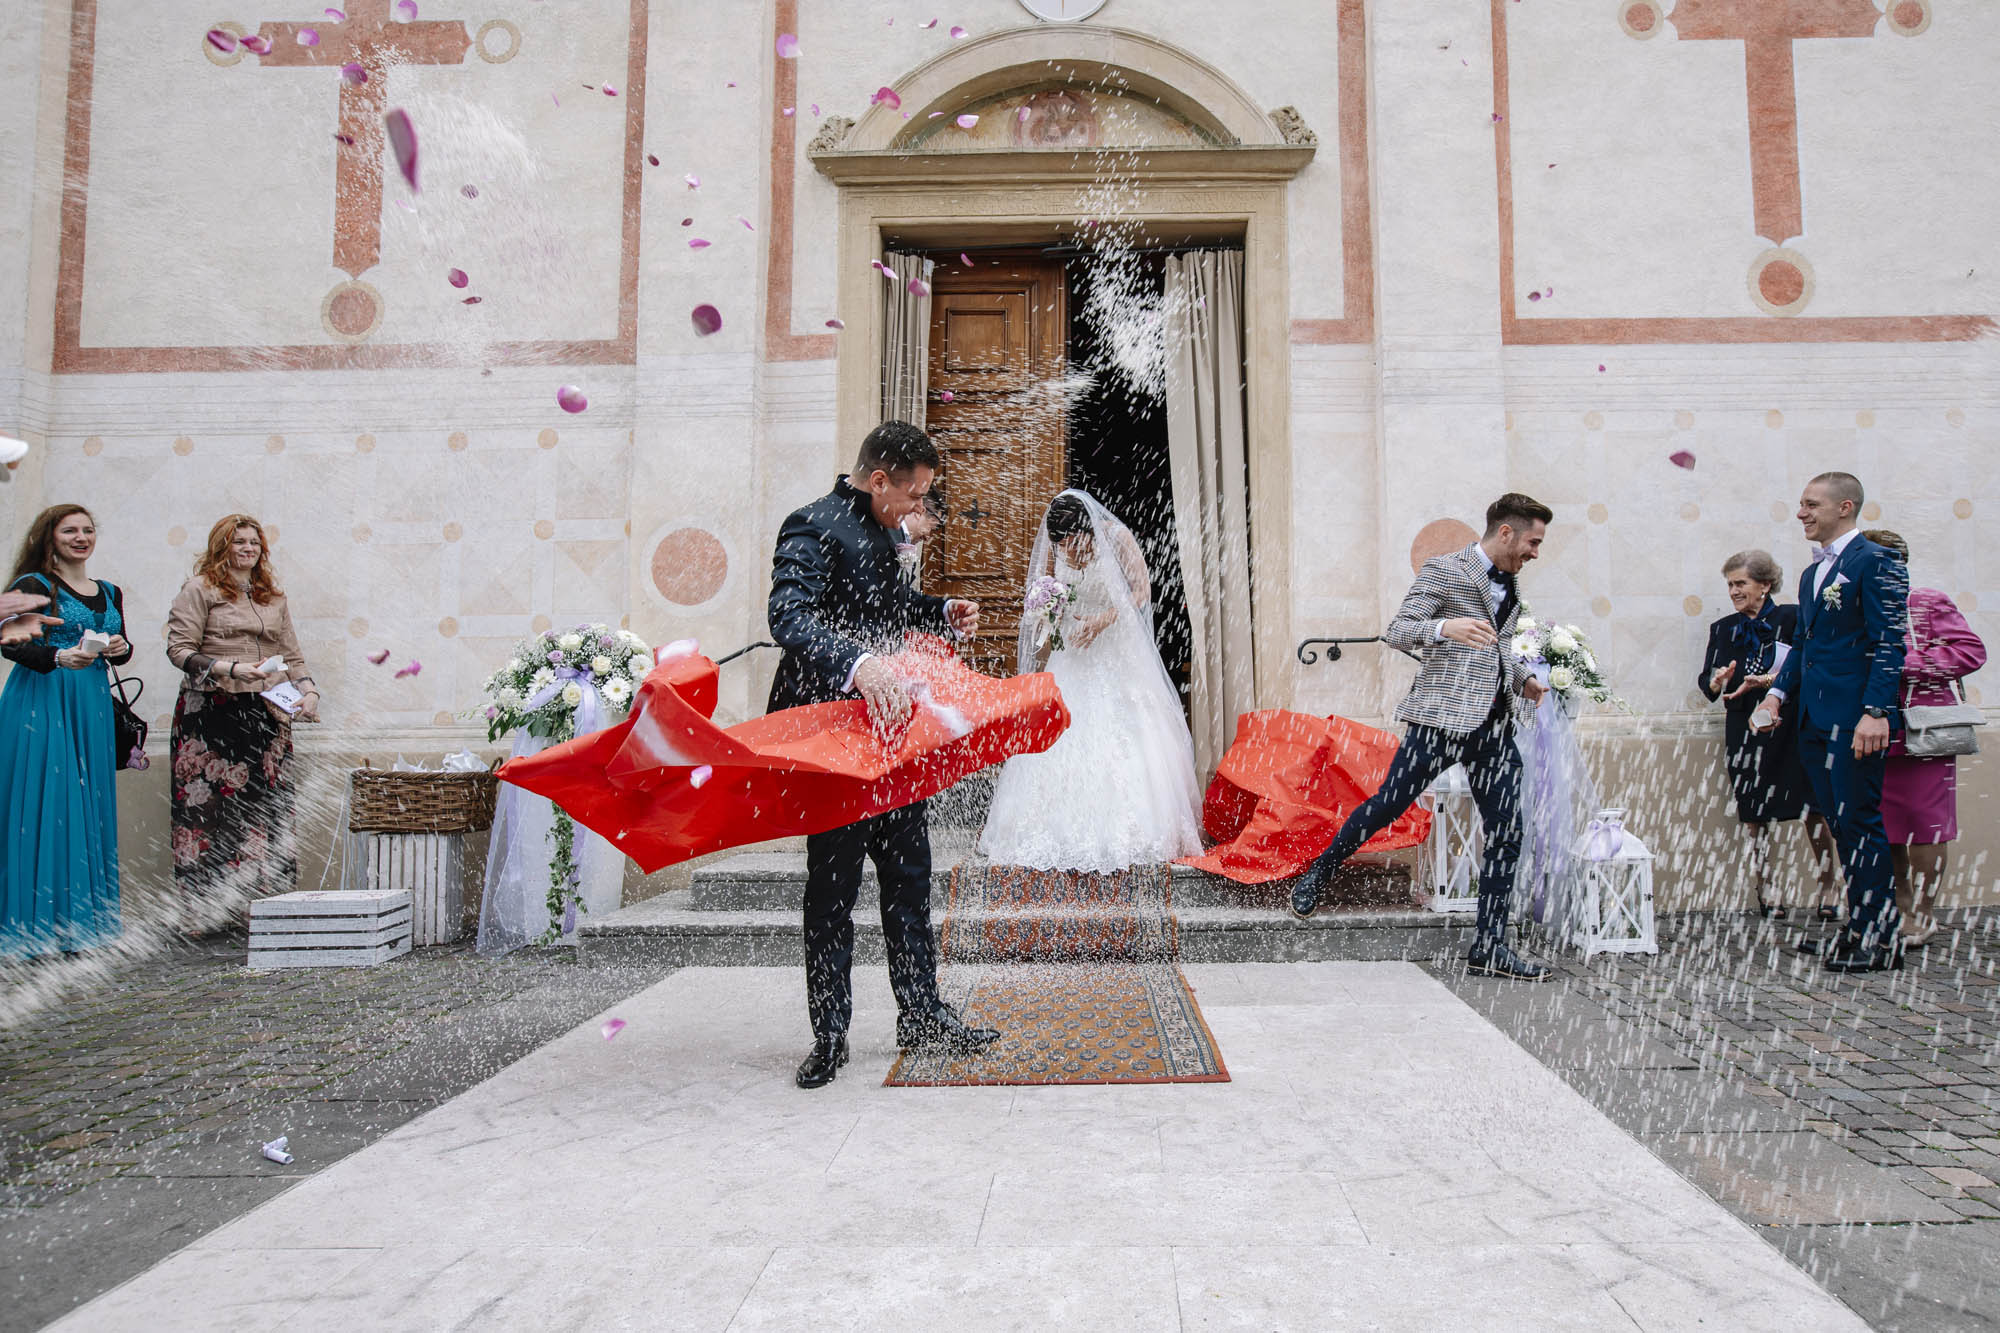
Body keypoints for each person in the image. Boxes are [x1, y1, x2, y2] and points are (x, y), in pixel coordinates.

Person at [767, 420, 997, 1089]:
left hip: (892, 740)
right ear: (877, 480)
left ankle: (922, 1016)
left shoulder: (878, 528)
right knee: (832, 892)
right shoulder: (811, 525)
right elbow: (789, 616)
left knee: (909, 880)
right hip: (835, 744)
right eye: (915, 494)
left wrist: (938, 612)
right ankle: (829, 1035)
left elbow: (886, 606)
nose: (920, 507)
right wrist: (860, 663)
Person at [1291, 493, 1553, 981]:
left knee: (1507, 832)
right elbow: (1398, 631)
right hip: (1440, 720)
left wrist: (1522, 680)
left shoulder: (1511, 580)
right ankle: (1321, 870)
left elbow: (1494, 647)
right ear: (1505, 533)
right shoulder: (1445, 570)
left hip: (1493, 727)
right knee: (1388, 805)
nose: (1535, 552)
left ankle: (1490, 947)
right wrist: (1445, 626)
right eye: (1533, 542)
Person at [979, 490, 1203, 871]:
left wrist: (1103, 621)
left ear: (1087, 530)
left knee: (1127, 731)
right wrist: (1049, 612)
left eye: (1073, 542)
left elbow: (1142, 590)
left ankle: (1136, 828)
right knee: (1060, 733)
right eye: (1061, 545)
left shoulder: (1117, 537)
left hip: (1115, 647)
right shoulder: (1058, 548)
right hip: (1073, 653)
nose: (1068, 552)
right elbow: (1049, 587)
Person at [1752, 473, 1908, 972]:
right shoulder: (1810, 574)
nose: (1801, 513)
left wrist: (1876, 712)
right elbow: (1805, 645)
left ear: (1845, 506)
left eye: (1811, 504)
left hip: (1856, 719)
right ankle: (1857, 926)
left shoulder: (1877, 561)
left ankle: (1881, 938)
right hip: (1814, 721)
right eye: (1800, 504)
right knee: (1840, 825)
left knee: (1860, 822)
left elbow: (1890, 643)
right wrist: (1776, 696)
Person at [165, 515, 320, 924]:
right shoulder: (199, 589)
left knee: (265, 807)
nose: (248, 548)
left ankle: (262, 907)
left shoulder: (273, 597)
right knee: (206, 809)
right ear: (222, 547)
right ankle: (203, 912)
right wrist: (230, 669)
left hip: (264, 712)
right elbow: (179, 650)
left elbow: (292, 656)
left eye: (254, 542)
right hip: (211, 711)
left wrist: (309, 692)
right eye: (239, 542)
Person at [0, 505, 131, 957]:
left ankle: (82, 923)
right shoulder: (33, 585)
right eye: (69, 530)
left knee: (89, 806)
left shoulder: (110, 590)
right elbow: (10, 643)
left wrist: (119, 646)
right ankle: (35, 927)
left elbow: (122, 648)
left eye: (88, 530)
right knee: (51, 802)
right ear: (50, 537)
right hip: (43, 700)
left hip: (91, 705)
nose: (81, 537)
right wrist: (57, 656)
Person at [1696, 549, 1835, 918]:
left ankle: (1828, 886)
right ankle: (1767, 885)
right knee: (1753, 808)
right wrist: (1717, 680)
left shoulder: (1794, 617)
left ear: (1765, 585)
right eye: (1730, 585)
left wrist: (1772, 681)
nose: (1734, 591)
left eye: (1741, 583)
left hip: (1791, 723)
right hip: (1744, 726)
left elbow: (1813, 663)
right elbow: (1707, 683)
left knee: (1812, 806)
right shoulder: (1723, 628)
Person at [1863, 529, 1985, 948]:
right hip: (1875, 730)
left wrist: (1904, 662)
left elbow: (1970, 651)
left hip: (1926, 731)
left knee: (1925, 826)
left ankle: (1925, 911)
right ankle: (1901, 905)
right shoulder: (1858, 609)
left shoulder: (1927, 602)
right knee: (1887, 826)